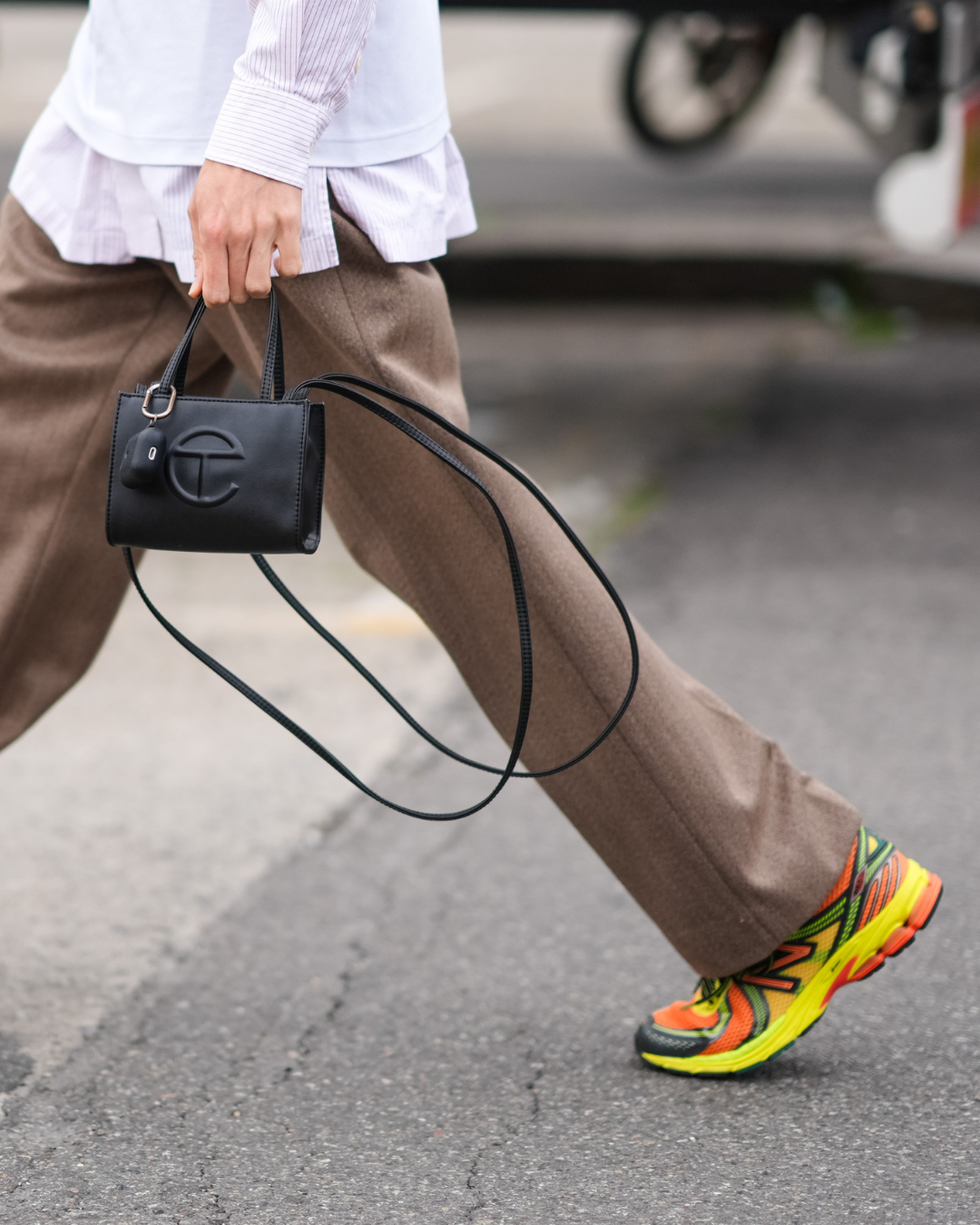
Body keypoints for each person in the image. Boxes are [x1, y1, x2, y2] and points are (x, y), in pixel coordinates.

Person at [0, 0, 942, 1077]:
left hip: (272, 165)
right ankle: (785, 884)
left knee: (468, 552)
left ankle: (791, 889)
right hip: (121, 124)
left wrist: (263, 134)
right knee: (13, 525)